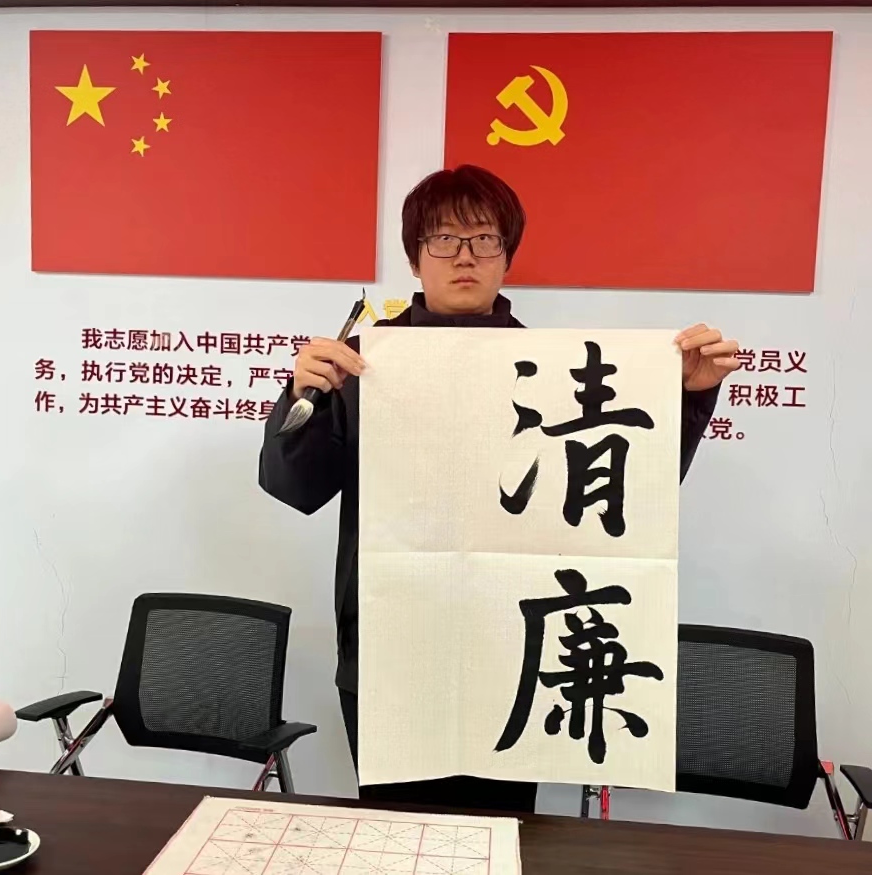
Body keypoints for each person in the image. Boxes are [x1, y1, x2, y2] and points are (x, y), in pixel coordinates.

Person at [258, 164, 739, 813]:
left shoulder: (557, 369)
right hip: (390, 641)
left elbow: (626, 491)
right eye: (443, 239)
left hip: (515, 644)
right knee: (394, 832)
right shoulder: (364, 364)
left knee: (506, 833)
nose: (465, 256)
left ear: (507, 256)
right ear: (414, 258)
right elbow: (293, 487)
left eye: (484, 239)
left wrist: (688, 395)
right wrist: (304, 396)